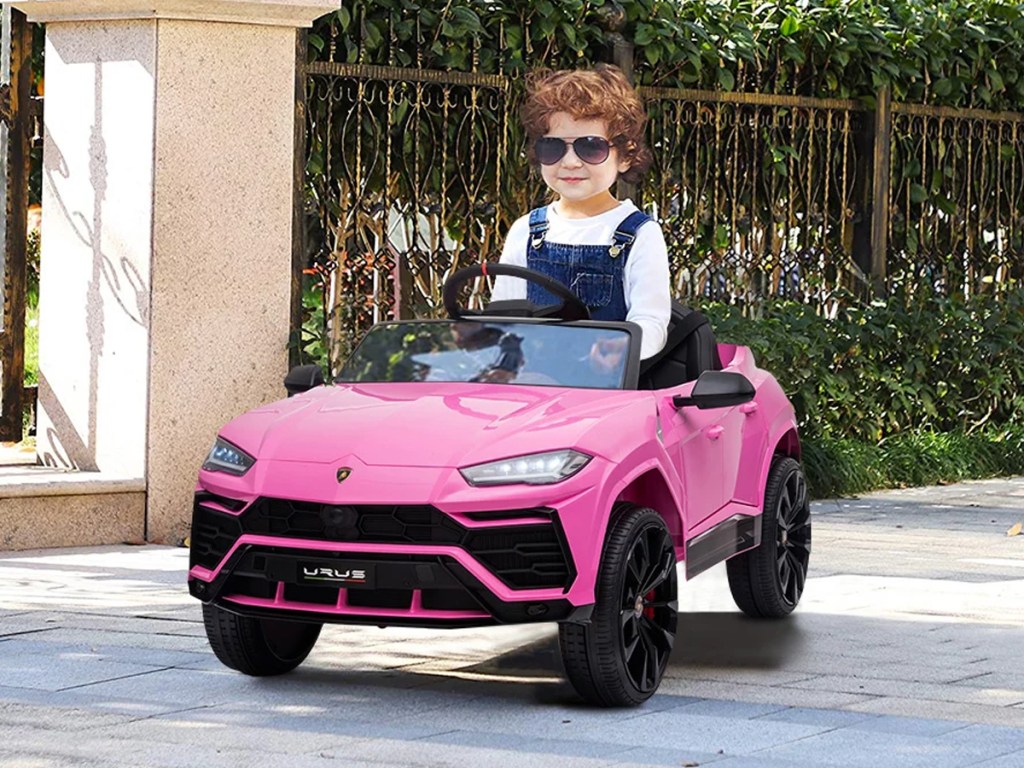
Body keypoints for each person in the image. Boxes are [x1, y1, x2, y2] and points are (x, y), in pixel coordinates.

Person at [490, 65, 671, 362]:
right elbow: (503, 318)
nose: (571, 162)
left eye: (590, 147)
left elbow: (651, 322)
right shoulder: (526, 231)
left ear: (624, 156)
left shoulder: (639, 233)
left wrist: (622, 348)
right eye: (553, 147)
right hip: (533, 388)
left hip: (608, 392)